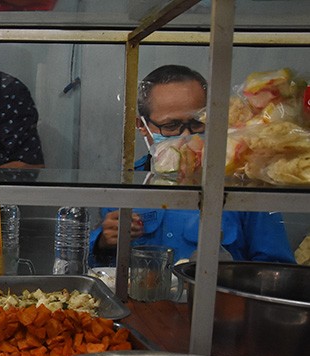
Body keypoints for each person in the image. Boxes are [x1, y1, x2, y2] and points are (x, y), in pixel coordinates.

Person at [89, 64, 296, 266]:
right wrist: (103, 243)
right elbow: (95, 268)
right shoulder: (127, 184)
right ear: (142, 126)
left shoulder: (244, 184)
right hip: (141, 299)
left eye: (197, 123)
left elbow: (275, 267)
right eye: (171, 126)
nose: (187, 136)